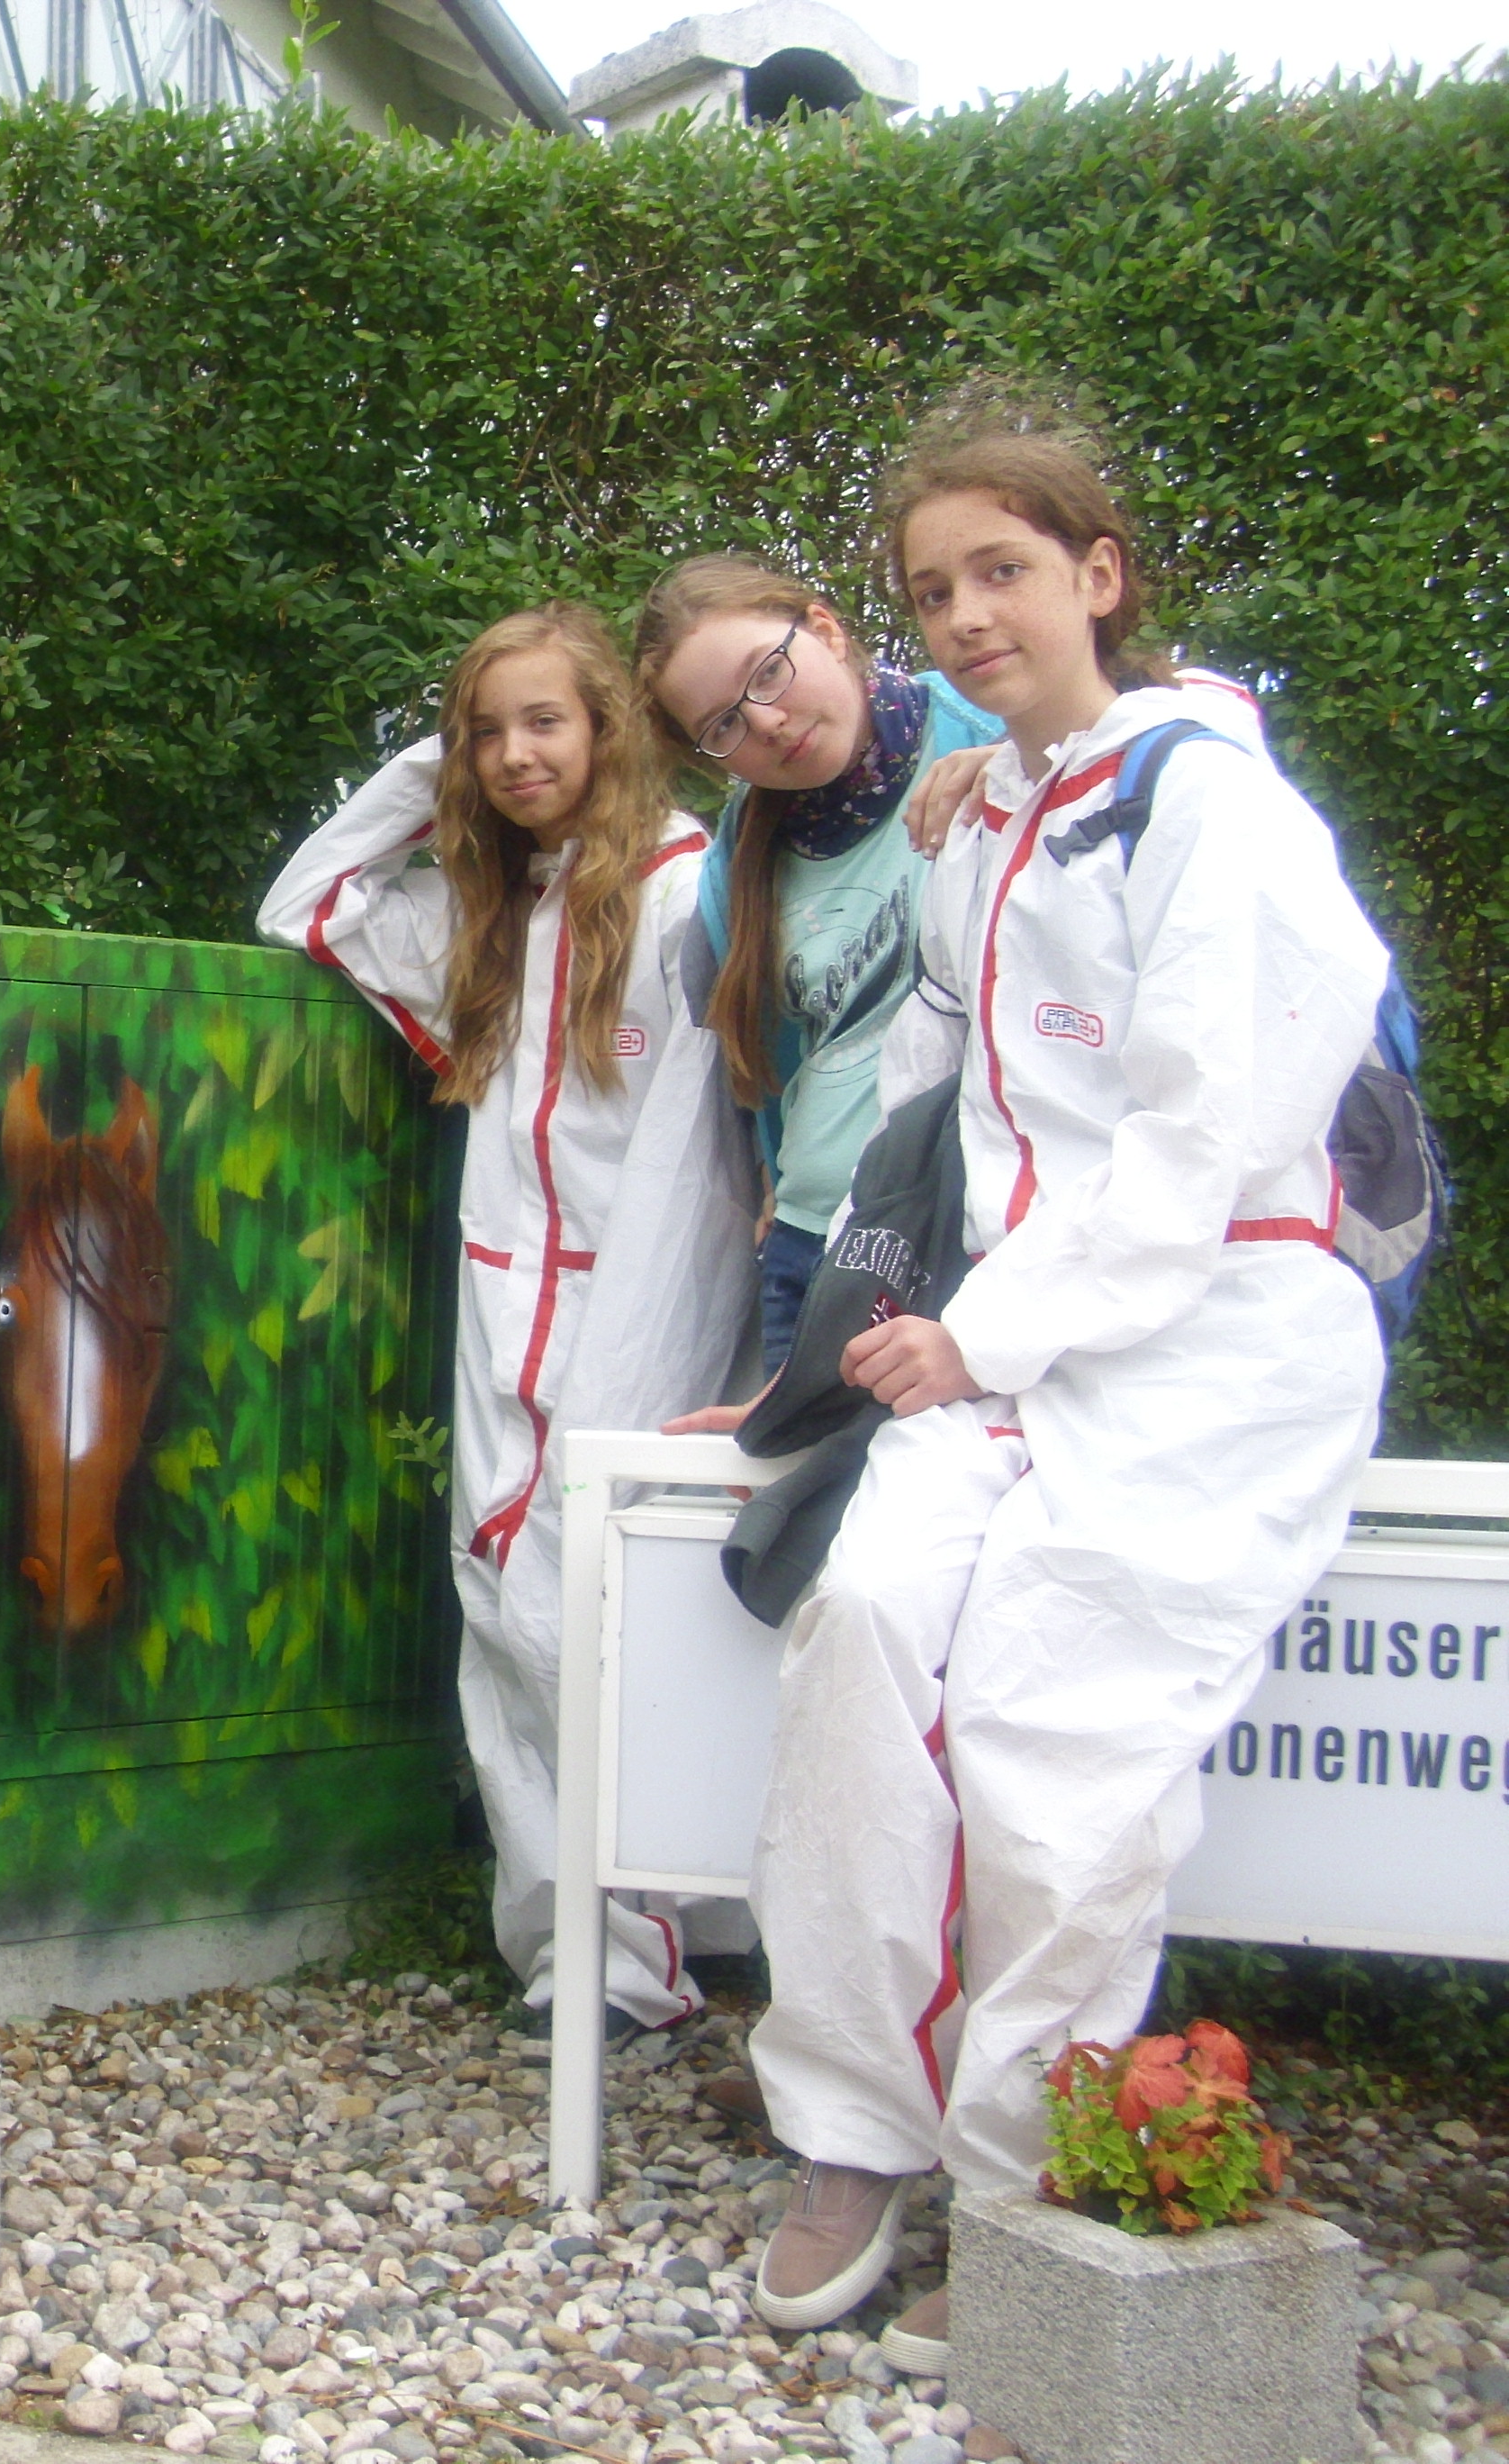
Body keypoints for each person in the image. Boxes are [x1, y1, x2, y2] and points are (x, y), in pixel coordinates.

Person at [741, 400, 1387, 2371]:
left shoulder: (1219, 811)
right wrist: (806, 1377)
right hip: (1003, 1343)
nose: (965, 616)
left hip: (1208, 1346)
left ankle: (1024, 2190)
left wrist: (984, 1337)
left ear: (1098, 575)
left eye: (1002, 572)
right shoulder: (985, 823)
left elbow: (1197, 1148)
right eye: (931, 588)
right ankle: (852, 2126)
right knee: (857, 1622)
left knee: (1053, 1738)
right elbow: (928, 1109)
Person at [259, 604, 756, 2036]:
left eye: (547, 721)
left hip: (637, 1318)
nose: (516, 753)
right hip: (502, 1311)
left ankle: (649, 1944)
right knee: (500, 1615)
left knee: (585, 1615)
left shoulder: (689, 892)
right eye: (489, 731)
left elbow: (697, 1169)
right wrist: (441, 768)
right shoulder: (494, 910)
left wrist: (633, 1367)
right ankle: (576, 1953)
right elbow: (307, 904)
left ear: (611, 727)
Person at [633, 557, 1008, 1368]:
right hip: (812, 1247)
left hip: (971, 1237)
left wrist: (1027, 775)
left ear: (827, 630)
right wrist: (779, 1185)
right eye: (724, 725)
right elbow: (770, 1060)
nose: (765, 723)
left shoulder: (991, 736)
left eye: (768, 672)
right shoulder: (739, 861)